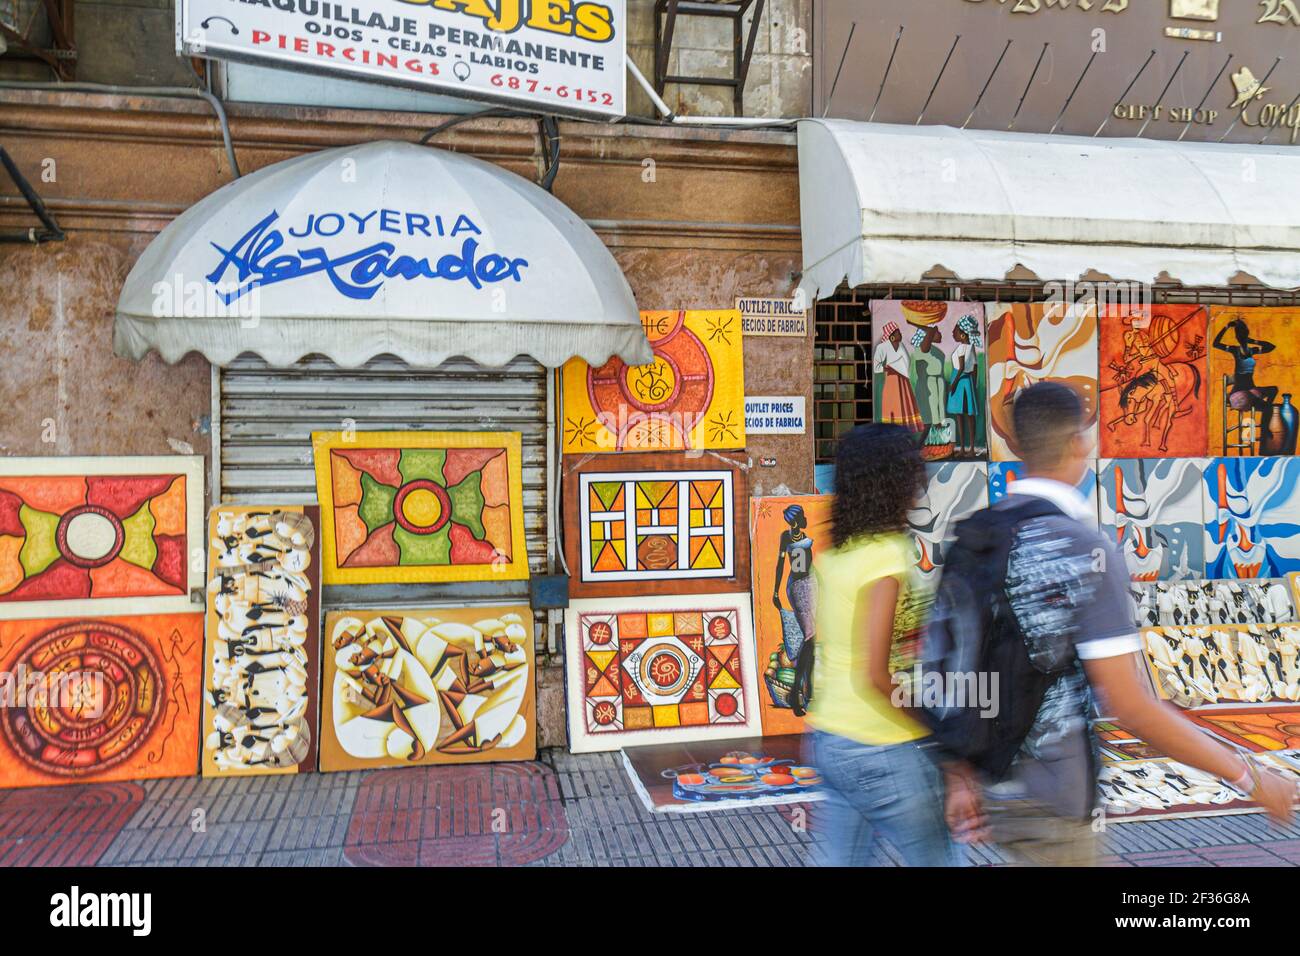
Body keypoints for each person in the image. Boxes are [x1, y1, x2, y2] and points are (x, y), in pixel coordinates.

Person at [943, 382, 1296, 865]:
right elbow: (1129, 704)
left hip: (990, 792)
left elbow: (948, 662)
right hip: (1057, 800)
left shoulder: (974, 533)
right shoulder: (1083, 548)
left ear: (1015, 446)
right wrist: (1249, 776)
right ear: (1080, 443)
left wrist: (957, 772)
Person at [806, 423, 955, 867]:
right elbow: (876, 674)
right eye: (915, 473)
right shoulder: (888, 557)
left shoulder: (837, 551)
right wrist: (931, 725)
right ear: (895, 480)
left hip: (829, 739)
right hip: (881, 746)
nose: (921, 484)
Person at [771, 504, 817, 714]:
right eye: (801, 516)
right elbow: (781, 565)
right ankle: (797, 694)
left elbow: (810, 565)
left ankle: (810, 692)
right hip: (799, 587)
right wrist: (776, 591)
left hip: (811, 584)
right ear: (796, 520)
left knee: (812, 640)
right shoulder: (786, 537)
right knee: (809, 637)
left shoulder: (801, 536)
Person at [1213, 316, 1277, 415]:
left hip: (1251, 389)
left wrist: (1253, 341)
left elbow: (1271, 347)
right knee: (1268, 408)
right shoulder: (1235, 350)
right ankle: (1266, 411)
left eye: (1244, 335)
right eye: (1241, 335)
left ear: (1247, 335)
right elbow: (1215, 344)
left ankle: (1266, 411)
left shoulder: (1252, 350)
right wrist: (1226, 327)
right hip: (1240, 391)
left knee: (1273, 391)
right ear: (1237, 337)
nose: (1242, 337)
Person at [873, 322, 924, 431]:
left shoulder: (901, 346)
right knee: (894, 405)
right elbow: (876, 367)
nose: (900, 334)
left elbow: (907, 362)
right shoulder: (882, 347)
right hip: (892, 380)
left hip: (903, 380)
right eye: (898, 332)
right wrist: (888, 368)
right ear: (891, 336)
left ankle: (905, 431)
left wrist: (903, 372)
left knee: (904, 404)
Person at [946, 315, 982, 458]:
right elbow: (974, 369)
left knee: (962, 416)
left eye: (955, 331)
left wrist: (953, 384)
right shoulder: (971, 348)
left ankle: (967, 448)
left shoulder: (963, 348)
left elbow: (961, 367)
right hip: (966, 382)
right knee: (966, 416)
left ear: (962, 334)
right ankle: (968, 448)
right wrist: (973, 385)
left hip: (959, 381)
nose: (953, 333)